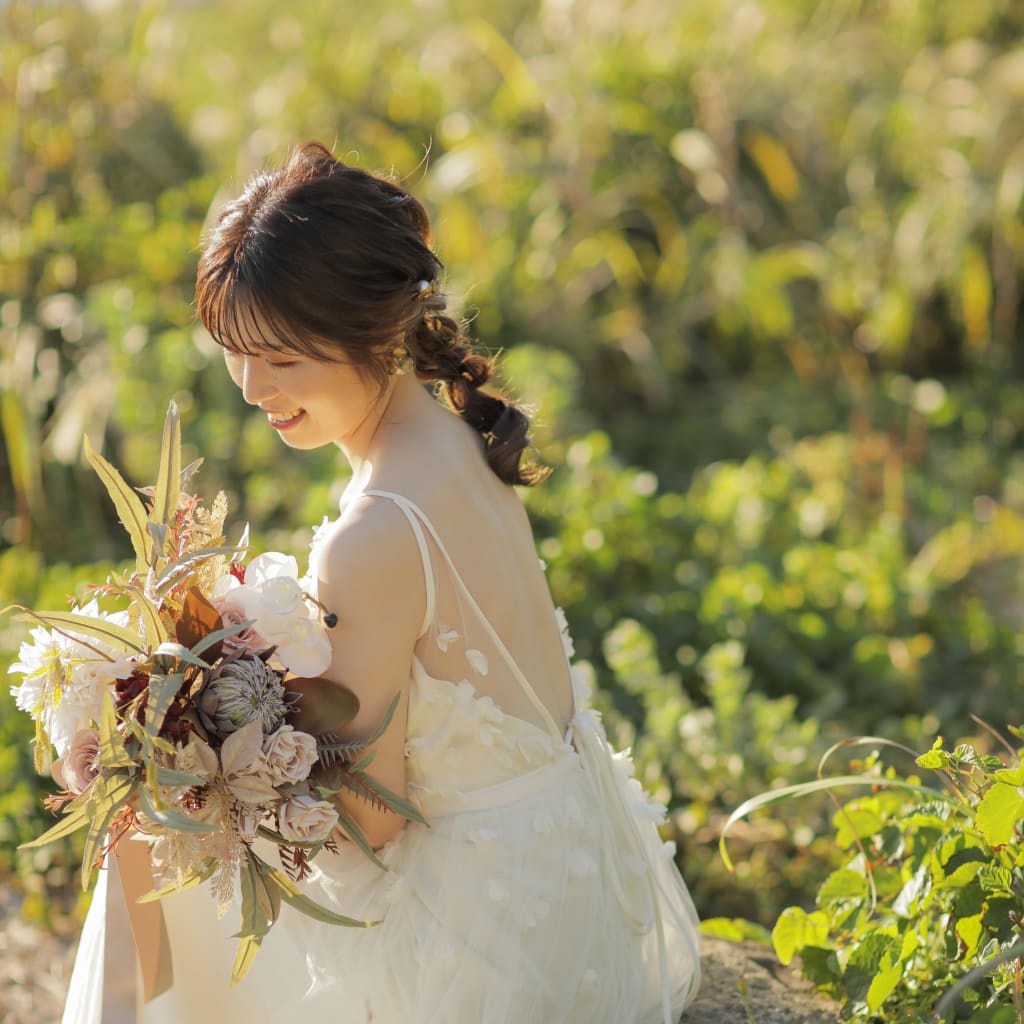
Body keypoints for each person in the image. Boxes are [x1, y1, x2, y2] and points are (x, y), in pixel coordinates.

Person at [64, 141, 701, 1023]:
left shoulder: (373, 533)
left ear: (375, 331)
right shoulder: (453, 440)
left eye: (282, 358)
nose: (251, 387)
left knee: (161, 849)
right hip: (564, 863)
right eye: (235, 352)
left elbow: (374, 820)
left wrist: (196, 756)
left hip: (478, 930)